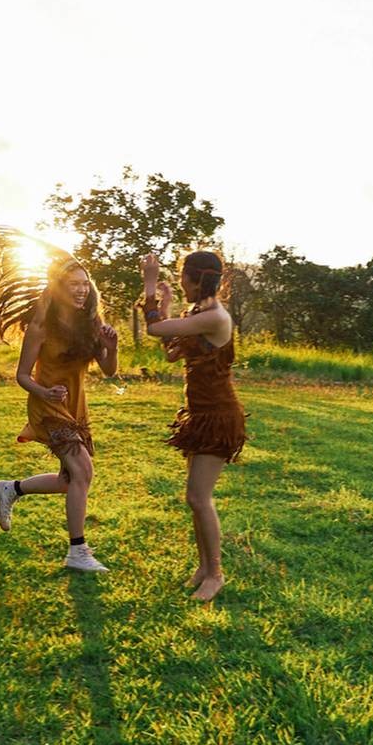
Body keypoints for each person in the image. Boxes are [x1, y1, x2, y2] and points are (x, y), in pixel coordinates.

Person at [0, 257, 118, 571]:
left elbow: (110, 371)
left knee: (69, 480)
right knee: (83, 472)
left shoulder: (91, 323)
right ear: (59, 288)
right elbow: (22, 375)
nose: (81, 290)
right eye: (74, 284)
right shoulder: (42, 326)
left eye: (85, 284)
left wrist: (111, 347)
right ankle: (77, 552)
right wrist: (44, 392)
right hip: (47, 404)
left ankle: (11, 488)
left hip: (75, 405)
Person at [140, 249, 246, 601]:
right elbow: (171, 348)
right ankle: (203, 567)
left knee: (199, 497)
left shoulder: (215, 317)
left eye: (182, 277)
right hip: (199, 415)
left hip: (218, 416)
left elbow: (154, 329)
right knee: (195, 498)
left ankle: (215, 574)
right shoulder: (198, 313)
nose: (180, 283)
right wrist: (169, 309)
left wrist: (151, 283)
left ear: (198, 279)